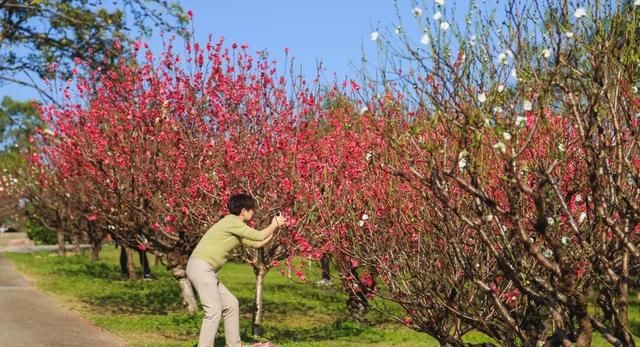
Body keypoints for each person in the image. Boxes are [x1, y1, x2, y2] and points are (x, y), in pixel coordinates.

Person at [187, 193, 285, 347]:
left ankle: (234, 345)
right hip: (201, 267)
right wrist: (273, 224)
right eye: (252, 210)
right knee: (213, 311)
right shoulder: (231, 222)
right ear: (244, 211)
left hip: (206, 269)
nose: (253, 213)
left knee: (231, 304)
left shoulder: (235, 226)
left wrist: (275, 228)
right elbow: (258, 235)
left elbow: (257, 243)